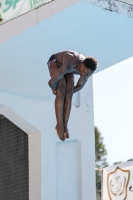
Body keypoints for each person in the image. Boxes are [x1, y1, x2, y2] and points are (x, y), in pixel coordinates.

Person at [48, 50, 97, 141]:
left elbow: (79, 87)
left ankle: (65, 126)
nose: (86, 77)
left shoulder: (86, 73)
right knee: (61, 88)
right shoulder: (69, 63)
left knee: (69, 92)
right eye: (86, 74)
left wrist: (68, 93)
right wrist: (55, 90)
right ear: (82, 66)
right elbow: (51, 82)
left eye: (88, 76)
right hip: (56, 62)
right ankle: (59, 125)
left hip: (68, 70)